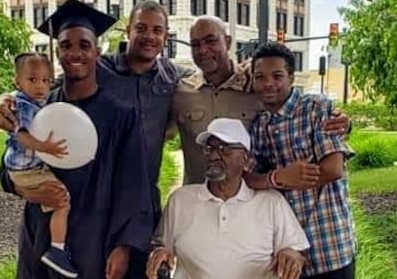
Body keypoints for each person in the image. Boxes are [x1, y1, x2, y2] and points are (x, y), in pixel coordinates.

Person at [0, 0, 185, 278]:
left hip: (96, 237)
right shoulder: (41, 109)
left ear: (97, 52)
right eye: (65, 45)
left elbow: (133, 187)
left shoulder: (120, 115)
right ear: (57, 53)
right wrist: (24, 188)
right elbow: (9, 165)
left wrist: (124, 245)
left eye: (84, 46)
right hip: (44, 233)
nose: (75, 53)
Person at [173, 16, 352, 184]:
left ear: (228, 43)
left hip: (250, 203)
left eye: (211, 41)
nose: (203, 50)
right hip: (197, 199)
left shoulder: (256, 83)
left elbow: (296, 106)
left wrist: (342, 122)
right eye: (195, 44)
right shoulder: (181, 92)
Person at [147, 118, 310, 279]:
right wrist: (160, 253)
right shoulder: (181, 200)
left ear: (245, 158)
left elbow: (297, 252)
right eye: (210, 149)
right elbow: (161, 245)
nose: (214, 156)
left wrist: (291, 256)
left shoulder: (271, 202)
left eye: (225, 150)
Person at [248, 42, 357, 279]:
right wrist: (278, 177)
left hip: (329, 244)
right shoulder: (259, 126)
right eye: (260, 77)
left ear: (291, 77)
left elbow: (333, 169)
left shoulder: (317, 109)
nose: (268, 83)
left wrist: (285, 180)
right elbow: (248, 179)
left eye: (277, 76)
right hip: (286, 252)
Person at [4, 52, 76, 277]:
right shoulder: (24, 106)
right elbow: (22, 136)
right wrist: (46, 148)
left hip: (29, 166)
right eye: (33, 80)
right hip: (27, 169)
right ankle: (57, 251)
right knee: (62, 200)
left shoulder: (37, 102)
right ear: (17, 81)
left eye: (45, 80)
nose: (40, 86)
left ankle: (57, 249)